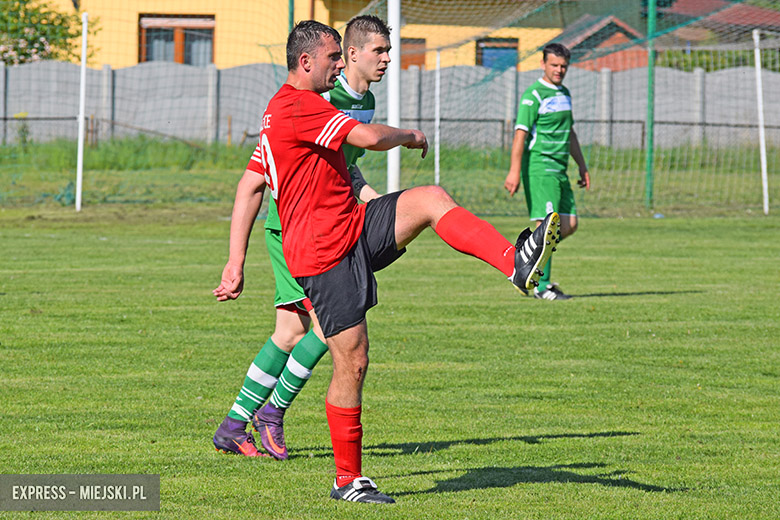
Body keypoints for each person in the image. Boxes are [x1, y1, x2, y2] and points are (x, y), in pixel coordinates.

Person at [218, 20, 560, 504]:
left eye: (343, 56)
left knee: (429, 198)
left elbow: (335, 158)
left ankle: (515, 262)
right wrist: (408, 134)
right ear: (306, 62)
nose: (341, 64)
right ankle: (346, 480)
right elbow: (366, 138)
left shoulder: (303, 108)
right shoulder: (296, 106)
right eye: (335, 57)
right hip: (322, 252)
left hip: (351, 226)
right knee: (350, 358)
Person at [211, 15, 391, 460]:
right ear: (348, 55)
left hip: (315, 225)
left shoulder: (353, 101)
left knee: (291, 330)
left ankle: (236, 424)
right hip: (297, 229)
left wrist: (375, 201)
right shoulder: (308, 102)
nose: (387, 60)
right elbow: (253, 179)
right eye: (379, 51)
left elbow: (344, 167)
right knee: (326, 328)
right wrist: (235, 259)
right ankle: (268, 415)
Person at [503, 42, 590, 301]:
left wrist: (582, 165)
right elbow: (521, 134)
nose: (559, 70)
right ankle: (542, 286)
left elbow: (570, 133)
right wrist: (514, 171)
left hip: (560, 170)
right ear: (543, 64)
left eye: (563, 66)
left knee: (569, 224)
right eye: (554, 65)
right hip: (540, 168)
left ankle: (526, 260)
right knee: (548, 227)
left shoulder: (565, 93)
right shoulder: (534, 95)